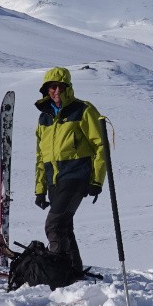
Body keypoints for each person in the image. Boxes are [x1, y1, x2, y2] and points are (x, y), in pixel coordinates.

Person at [32, 67, 108, 273]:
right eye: (51, 87)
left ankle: (58, 270)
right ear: (46, 90)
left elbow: (101, 146)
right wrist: (40, 189)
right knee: (65, 227)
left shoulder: (82, 110)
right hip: (54, 180)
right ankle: (73, 271)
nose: (56, 91)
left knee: (54, 226)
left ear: (68, 87)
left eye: (60, 86)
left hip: (76, 176)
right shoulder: (44, 118)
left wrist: (97, 180)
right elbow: (41, 156)